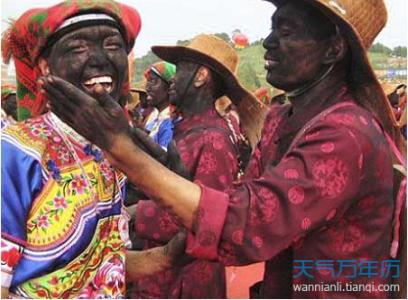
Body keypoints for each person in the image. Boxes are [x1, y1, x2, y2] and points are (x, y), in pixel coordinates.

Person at [42, 0, 405, 298]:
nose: (269, 42)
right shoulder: (283, 120)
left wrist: (123, 152)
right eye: (273, 28)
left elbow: (250, 223)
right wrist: (152, 159)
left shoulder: (345, 133)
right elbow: (242, 195)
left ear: (334, 49)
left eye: (287, 31)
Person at [1, 1, 186, 298]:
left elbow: (105, 264)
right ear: (46, 67)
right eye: (77, 48)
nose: (100, 59)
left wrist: (169, 253)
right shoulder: (15, 153)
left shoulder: (112, 149)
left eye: (112, 45)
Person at [126, 34, 263, 298]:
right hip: (160, 271)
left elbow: (205, 217)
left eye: (181, 70)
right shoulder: (189, 129)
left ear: (200, 77)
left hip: (184, 282)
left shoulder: (214, 139)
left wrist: (135, 212)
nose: (174, 79)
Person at [143, 61, 176, 150]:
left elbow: (163, 162)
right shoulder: (153, 120)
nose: (147, 87)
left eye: (153, 81)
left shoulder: (171, 124)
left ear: (169, 87)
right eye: (148, 82)